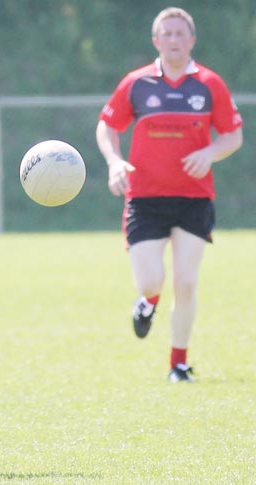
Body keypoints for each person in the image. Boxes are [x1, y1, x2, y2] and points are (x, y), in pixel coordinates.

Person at [96, 7, 242, 382]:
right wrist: (114, 162)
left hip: (193, 198)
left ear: (192, 40)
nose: (174, 40)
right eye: (167, 34)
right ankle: (148, 301)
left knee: (187, 281)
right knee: (151, 280)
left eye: (181, 33)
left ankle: (178, 363)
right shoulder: (137, 83)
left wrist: (210, 152)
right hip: (145, 198)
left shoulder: (210, 84)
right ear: (156, 41)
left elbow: (233, 136)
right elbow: (107, 126)